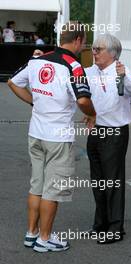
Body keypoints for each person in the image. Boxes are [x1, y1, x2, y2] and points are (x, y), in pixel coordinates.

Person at [7, 21, 96, 253]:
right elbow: (84, 100)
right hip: (58, 137)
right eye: (84, 41)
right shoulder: (73, 66)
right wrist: (92, 114)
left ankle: (32, 233)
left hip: (35, 133)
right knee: (53, 190)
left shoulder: (37, 60)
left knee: (36, 186)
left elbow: (12, 82)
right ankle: (45, 239)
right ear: (77, 40)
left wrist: (33, 100)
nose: (84, 45)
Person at [84, 34, 131, 244]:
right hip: (95, 131)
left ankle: (116, 228)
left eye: (98, 49)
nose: (94, 52)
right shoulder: (90, 71)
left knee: (113, 182)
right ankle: (101, 224)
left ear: (112, 53)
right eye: (94, 48)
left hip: (115, 133)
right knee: (97, 181)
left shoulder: (121, 72)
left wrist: (124, 77)